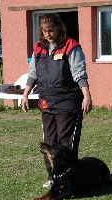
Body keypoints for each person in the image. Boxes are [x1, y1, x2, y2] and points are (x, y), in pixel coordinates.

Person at [21, 13, 92, 188]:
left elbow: (79, 72)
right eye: (44, 31)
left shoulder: (70, 46)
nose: (48, 34)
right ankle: (52, 177)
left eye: (51, 30)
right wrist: (25, 94)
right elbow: (33, 73)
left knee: (66, 143)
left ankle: (68, 179)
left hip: (68, 102)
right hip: (47, 102)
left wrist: (87, 95)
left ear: (58, 28)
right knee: (50, 143)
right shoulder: (38, 48)